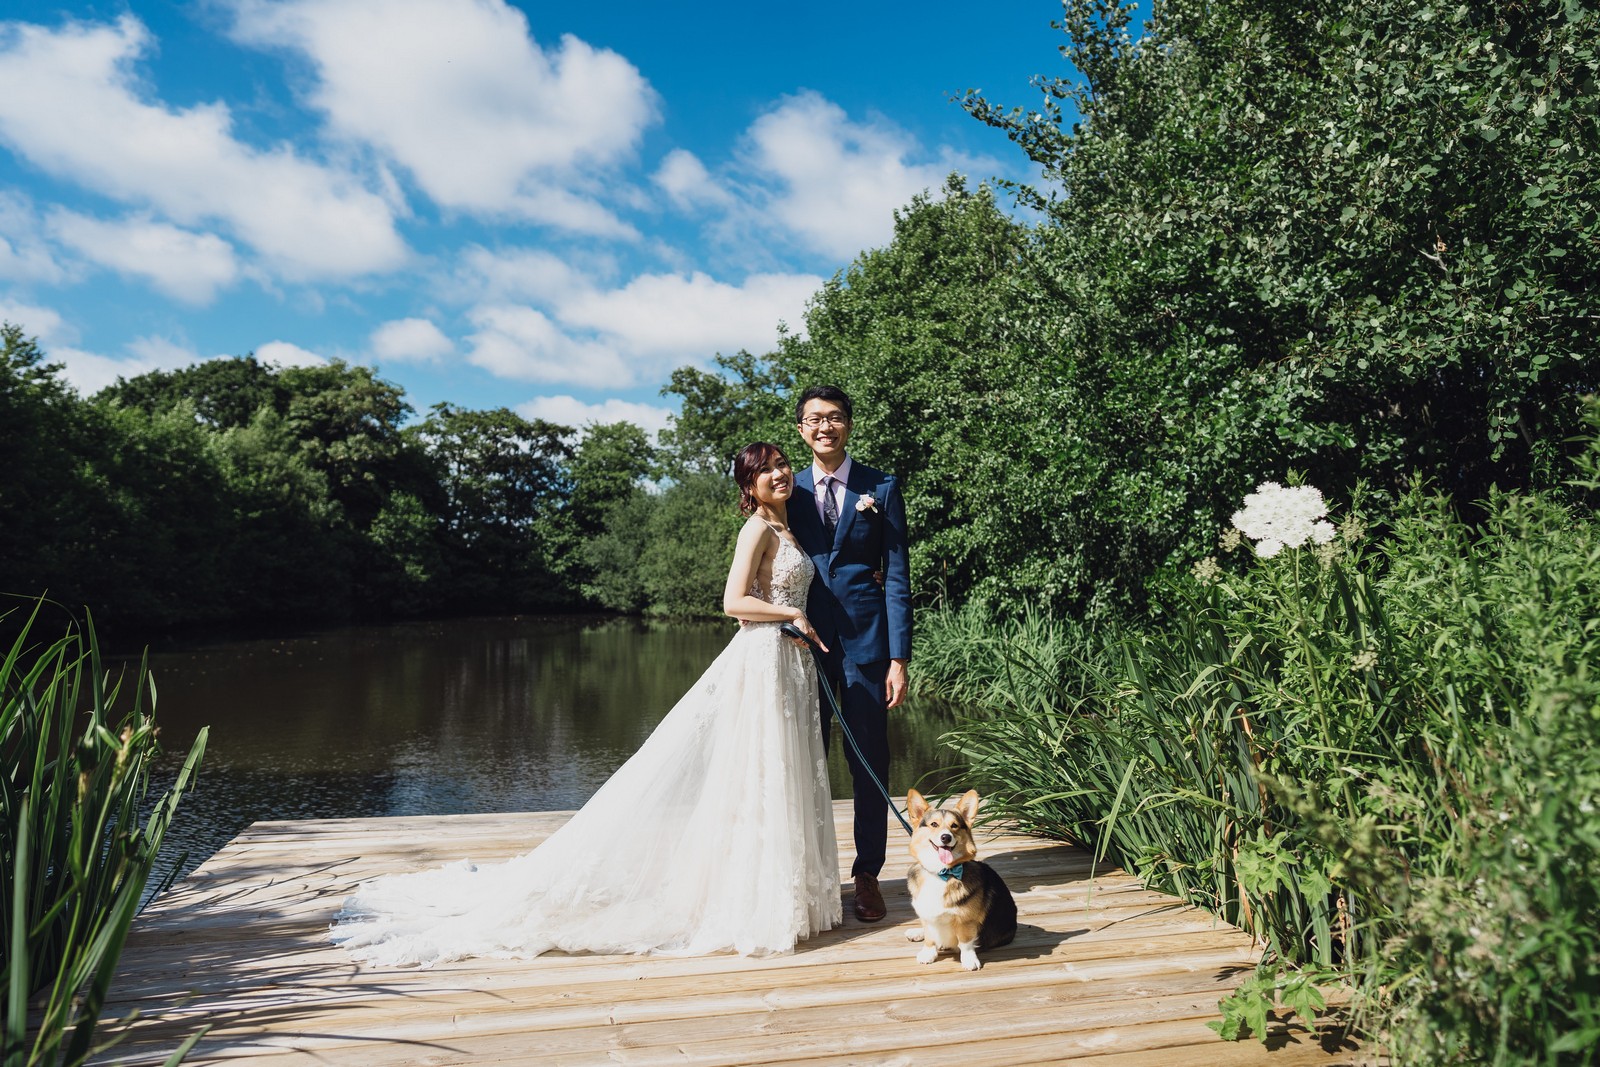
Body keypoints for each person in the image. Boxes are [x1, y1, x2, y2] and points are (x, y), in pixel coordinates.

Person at [330, 443, 841, 966]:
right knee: (758, 773)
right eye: (765, 470)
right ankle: (750, 903)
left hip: (789, 660)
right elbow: (733, 601)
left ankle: (777, 896)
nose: (779, 474)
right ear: (748, 485)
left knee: (780, 772)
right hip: (764, 658)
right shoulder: (756, 529)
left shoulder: (788, 528)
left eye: (782, 464)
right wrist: (789, 615)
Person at [788, 385, 912, 923]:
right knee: (803, 762)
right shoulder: (784, 487)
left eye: (835, 417)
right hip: (802, 646)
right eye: (815, 419)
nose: (825, 427)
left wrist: (899, 658)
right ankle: (810, 874)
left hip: (868, 646)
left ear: (849, 425)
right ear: (801, 429)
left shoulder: (880, 487)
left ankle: (867, 875)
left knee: (869, 762)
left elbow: (897, 575)